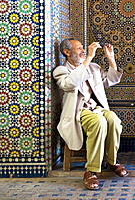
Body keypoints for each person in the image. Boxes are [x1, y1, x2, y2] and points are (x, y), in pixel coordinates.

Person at [53, 38, 128, 190]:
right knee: (98, 122)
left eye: (82, 48)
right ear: (67, 52)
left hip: (96, 108)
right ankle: (91, 170)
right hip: (78, 111)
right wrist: (88, 59)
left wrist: (110, 58)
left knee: (113, 119)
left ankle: (112, 160)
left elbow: (111, 80)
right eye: (79, 48)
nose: (83, 50)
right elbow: (70, 84)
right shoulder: (61, 71)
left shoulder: (93, 68)